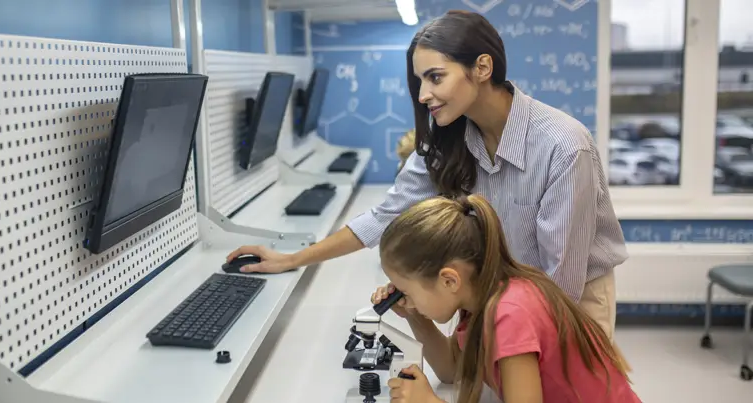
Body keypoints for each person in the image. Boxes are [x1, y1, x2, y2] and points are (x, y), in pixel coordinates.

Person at [226, 10, 628, 338]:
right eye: (419, 81)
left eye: (435, 77)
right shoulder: (449, 135)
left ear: (482, 67)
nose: (422, 95)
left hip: (567, 303)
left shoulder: (563, 146)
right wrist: (293, 259)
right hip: (498, 293)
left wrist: (504, 339)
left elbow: (561, 281)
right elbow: (385, 216)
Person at [371, 194, 640, 403]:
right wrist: (414, 314)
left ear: (449, 280)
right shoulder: (481, 299)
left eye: (407, 291)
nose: (404, 297)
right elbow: (451, 370)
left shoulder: (511, 314)